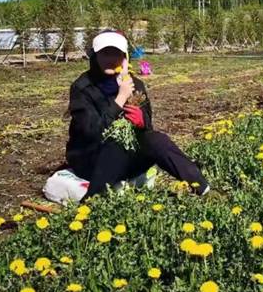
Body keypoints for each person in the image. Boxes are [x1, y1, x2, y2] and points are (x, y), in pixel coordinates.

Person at [66, 30, 210, 198]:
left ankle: (203, 188)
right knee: (116, 146)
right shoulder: (83, 88)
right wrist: (120, 99)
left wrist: (142, 122)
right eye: (105, 53)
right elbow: (91, 132)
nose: (111, 59)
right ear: (94, 56)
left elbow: (147, 127)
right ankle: (92, 200)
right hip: (91, 159)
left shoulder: (135, 84)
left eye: (116, 53)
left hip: (126, 159)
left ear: (125, 57)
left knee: (157, 140)